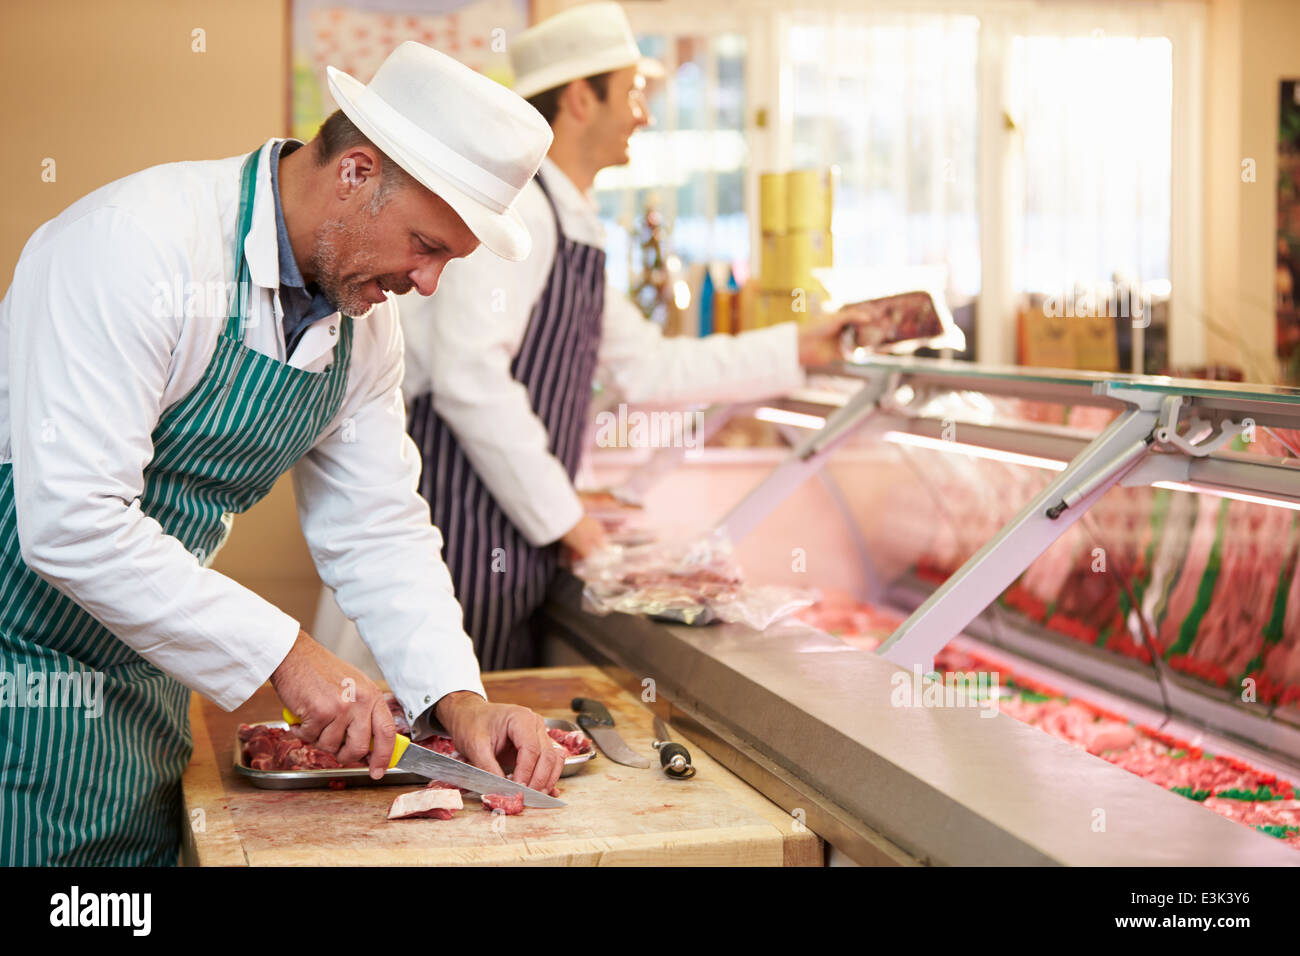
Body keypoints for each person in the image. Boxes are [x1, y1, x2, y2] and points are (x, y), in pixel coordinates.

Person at [0, 42, 566, 866]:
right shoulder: (137, 245)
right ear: (356, 172)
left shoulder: (363, 326)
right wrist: (290, 658)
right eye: (426, 245)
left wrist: (457, 699)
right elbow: (70, 523)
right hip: (19, 663)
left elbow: (377, 527)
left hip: (142, 670)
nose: (429, 282)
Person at [396, 4, 853, 672]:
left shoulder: (572, 219)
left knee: (484, 739)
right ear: (581, 98)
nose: (644, 112)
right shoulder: (520, 211)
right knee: (455, 737)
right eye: (634, 91)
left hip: (509, 531)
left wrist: (800, 349)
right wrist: (566, 518)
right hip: (463, 527)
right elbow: (468, 376)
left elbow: (648, 366)